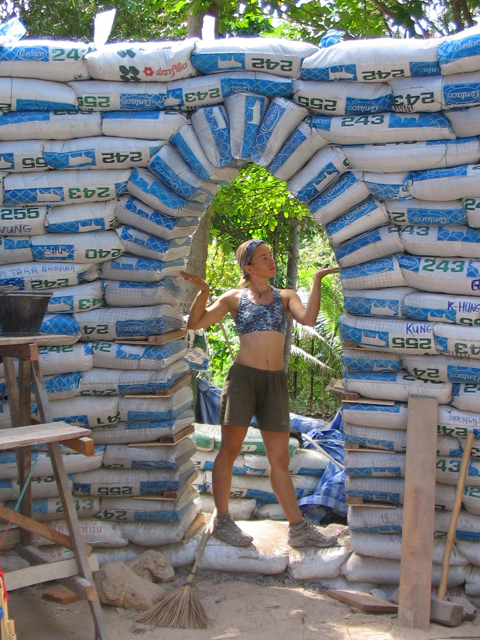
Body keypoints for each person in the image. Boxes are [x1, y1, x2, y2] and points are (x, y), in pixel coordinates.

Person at [181, 238, 340, 548]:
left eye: (271, 255)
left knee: (278, 459)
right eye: (263, 258)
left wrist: (317, 279)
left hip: (275, 383)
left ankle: (298, 528)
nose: (271, 261)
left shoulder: (285, 297)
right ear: (249, 267)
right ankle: (223, 521)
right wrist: (203, 292)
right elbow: (197, 322)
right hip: (243, 380)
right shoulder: (233, 298)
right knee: (229, 450)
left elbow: (307, 319)